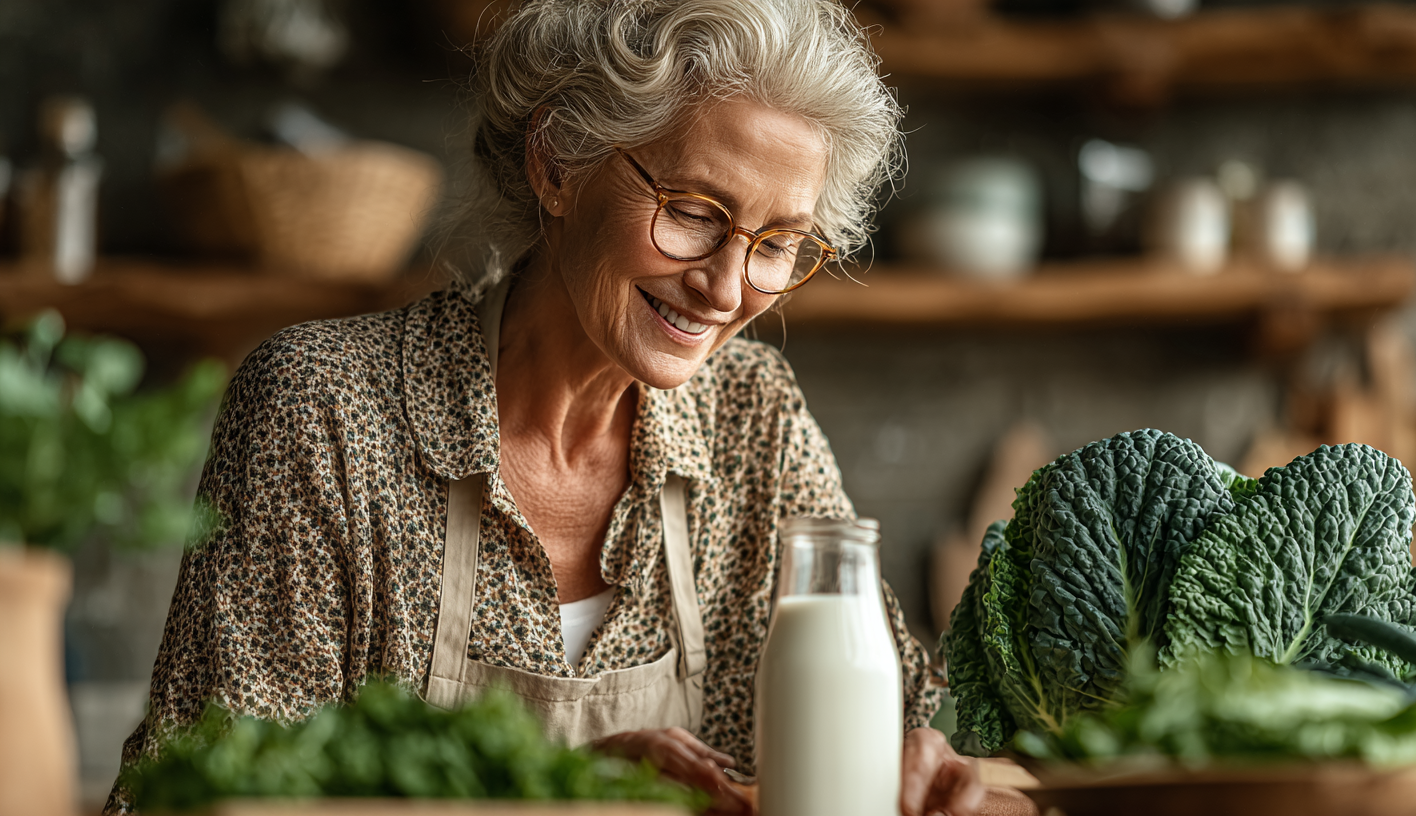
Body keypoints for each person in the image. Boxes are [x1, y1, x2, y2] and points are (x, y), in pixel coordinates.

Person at [110, 1, 985, 814]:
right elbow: (196, 793)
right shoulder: (327, 408)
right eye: (692, 212)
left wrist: (928, 762)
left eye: (779, 245)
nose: (727, 287)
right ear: (558, 162)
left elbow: (899, 717)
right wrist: (565, 797)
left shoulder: (753, 416)